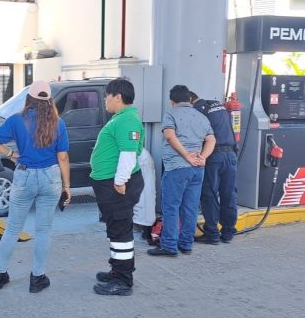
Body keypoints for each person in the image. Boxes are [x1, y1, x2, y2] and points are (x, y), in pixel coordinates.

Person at [0, 80, 71, 294]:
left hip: (23, 175)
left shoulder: (17, 120)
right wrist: (67, 186)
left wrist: (11, 154)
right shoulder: (58, 123)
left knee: (13, 228)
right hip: (50, 176)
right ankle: (37, 278)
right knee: (43, 230)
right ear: (50, 100)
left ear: (30, 99)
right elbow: (62, 157)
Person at [89, 78, 145, 296]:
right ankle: (118, 270)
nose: (105, 100)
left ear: (118, 97)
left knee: (120, 231)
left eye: (107, 95)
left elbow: (128, 152)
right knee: (116, 228)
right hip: (111, 184)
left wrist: (120, 181)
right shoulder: (122, 118)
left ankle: (123, 281)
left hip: (117, 186)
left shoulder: (127, 120)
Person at [148, 85, 215, 257]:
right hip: (197, 169)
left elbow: (169, 136)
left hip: (177, 168)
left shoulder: (171, 114)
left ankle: (169, 246)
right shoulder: (201, 117)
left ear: (172, 100)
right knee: (190, 207)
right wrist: (203, 157)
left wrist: (186, 155)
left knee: (171, 207)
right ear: (189, 99)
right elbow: (211, 139)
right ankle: (186, 244)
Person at [190, 91, 238, 244]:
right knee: (228, 193)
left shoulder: (197, 109)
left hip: (214, 156)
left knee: (209, 193)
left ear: (191, 100)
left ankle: (212, 233)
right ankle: (228, 231)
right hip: (231, 154)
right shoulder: (217, 105)